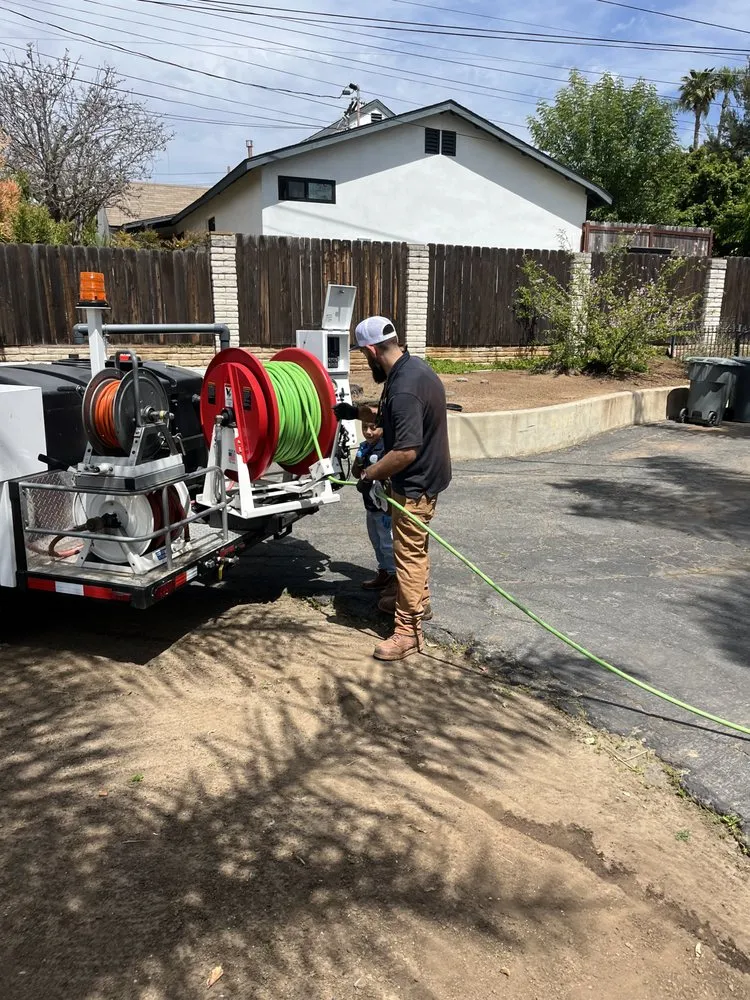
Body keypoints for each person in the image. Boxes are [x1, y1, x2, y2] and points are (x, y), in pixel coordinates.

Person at [334, 316, 452, 662]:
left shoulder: (403, 388)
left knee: (409, 554)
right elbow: (391, 415)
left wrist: (369, 473)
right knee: (413, 549)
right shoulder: (411, 368)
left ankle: (407, 633)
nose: (364, 360)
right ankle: (419, 603)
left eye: (363, 354)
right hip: (427, 476)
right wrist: (354, 412)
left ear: (371, 350)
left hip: (414, 484)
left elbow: (405, 450)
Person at [351, 411, 396, 592]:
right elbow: (356, 474)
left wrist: (390, 510)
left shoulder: (387, 449)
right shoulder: (365, 447)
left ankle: (395, 578)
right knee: (376, 540)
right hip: (370, 505)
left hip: (384, 507)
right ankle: (384, 571)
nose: (368, 432)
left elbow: (391, 478)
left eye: (373, 427)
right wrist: (359, 459)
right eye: (364, 427)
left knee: (387, 542)